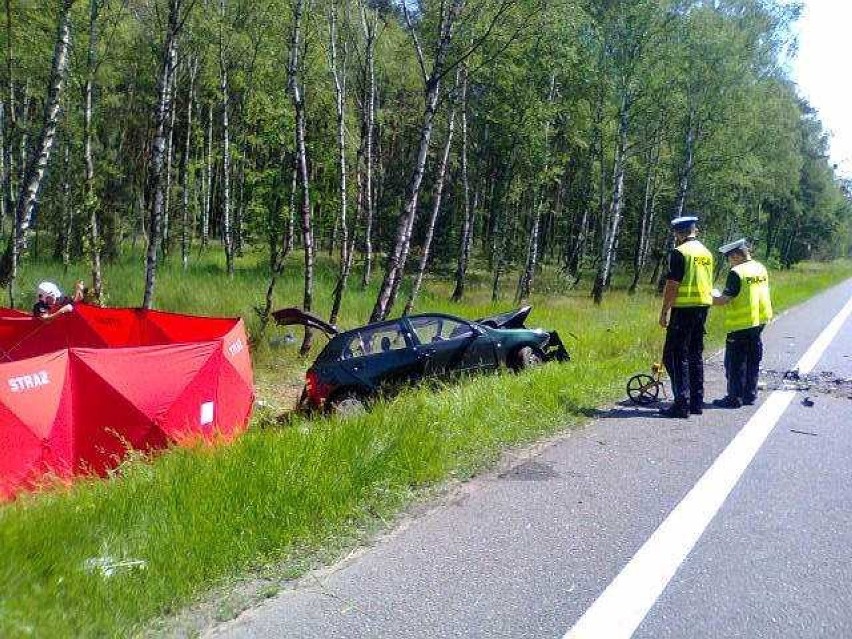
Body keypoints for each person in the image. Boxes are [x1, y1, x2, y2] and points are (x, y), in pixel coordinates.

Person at [658, 215, 714, 418]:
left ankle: (681, 403)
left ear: (678, 233)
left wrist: (664, 310)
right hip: (702, 307)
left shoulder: (680, 252)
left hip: (683, 308)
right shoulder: (706, 253)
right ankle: (696, 402)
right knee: (695, 353)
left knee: (674, 355)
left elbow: (673, 284)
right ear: (694, 231)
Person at [711, 239, 773, 408]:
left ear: (737, 255)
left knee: (734, 362)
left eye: (729, 258)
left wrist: (710, 297)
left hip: (741, 323)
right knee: (753, 359)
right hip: (759, 320)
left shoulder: (737, 272)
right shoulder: (760, 267)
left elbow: (724, 300)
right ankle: (749, 394)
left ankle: (734, 398)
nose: (729, 262)